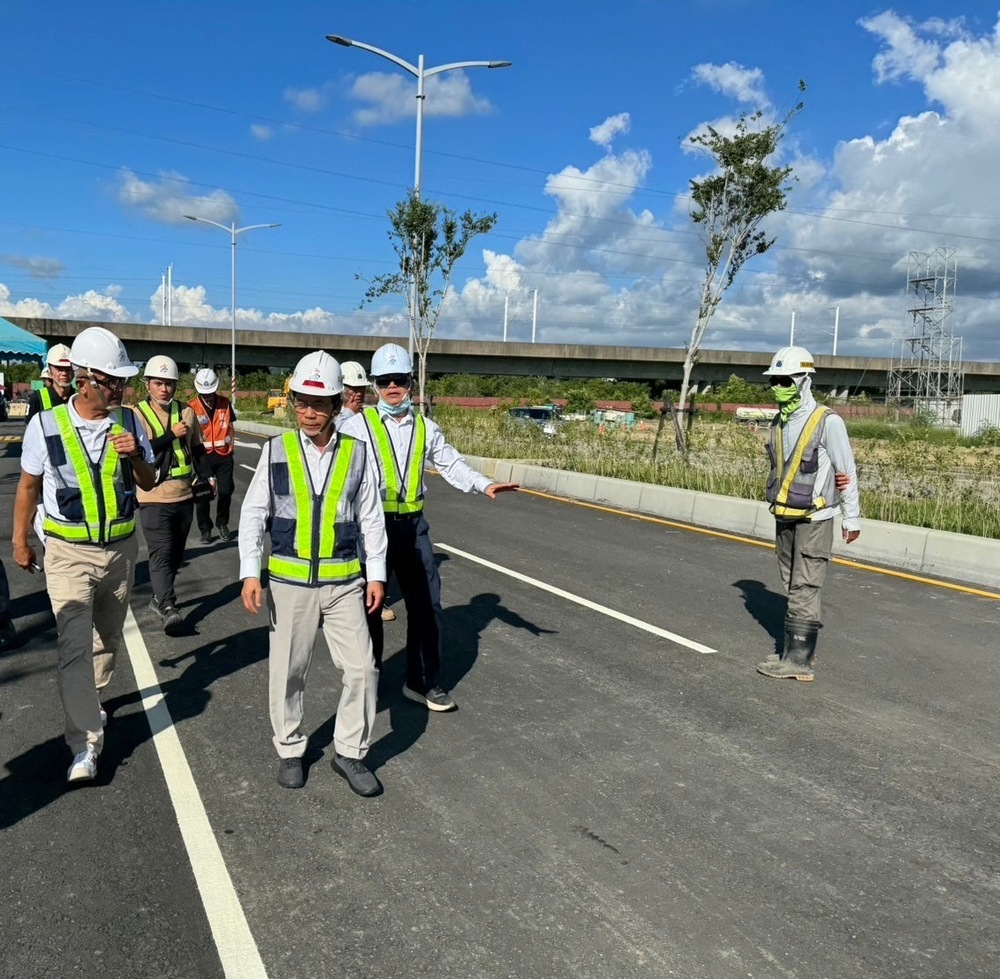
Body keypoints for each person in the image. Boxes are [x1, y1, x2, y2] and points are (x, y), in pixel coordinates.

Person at [341, 342, 519, 712]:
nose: (393, 387)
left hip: (413, 528)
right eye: (386, 380)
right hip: (371, 528)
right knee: (368, 609)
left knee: (427, 606)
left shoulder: (426, 428)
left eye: (400, 380)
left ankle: (421, 681)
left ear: (411, 383)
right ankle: (366, 681)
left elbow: (451, 463)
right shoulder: (356, 426)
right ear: (375, 385)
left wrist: (483, 484)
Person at [239, 351, 387, 795]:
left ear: (337, 405)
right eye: (301, 402)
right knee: (288, 670)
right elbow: (253, 514)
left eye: (318, 404)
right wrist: (250, 571)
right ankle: (289, 748)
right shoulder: (276, 451)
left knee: (362, 668)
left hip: (344, 582)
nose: (308, 412)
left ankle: (350, 752)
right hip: (289, 583)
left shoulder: (358, 454)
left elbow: (372, 517)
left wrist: (376, 574)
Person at [12, 326, 154, 783]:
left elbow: (149, 481)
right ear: (86, 379)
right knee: (74, 646)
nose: (122, 389)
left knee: (105, 643)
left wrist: (136, 458)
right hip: (67, 554)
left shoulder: (130, 422)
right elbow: (29, 486)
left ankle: (89, 702)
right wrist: (20, 539)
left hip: (119, 553)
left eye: (122, 381)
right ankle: (85, 745)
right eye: (114, 381)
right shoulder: (46, 425)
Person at [755, 346, 861, 682]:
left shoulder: (828, 422)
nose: (777, 387)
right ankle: (793, 651)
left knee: (806, 583)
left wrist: (852, 516)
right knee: (790, 580)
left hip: (816, 517)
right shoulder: (779, 421)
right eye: (774, 381)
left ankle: (799, 661)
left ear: (803, 380)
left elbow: (846, 470)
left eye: (784, 380)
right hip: (785, 513)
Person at [133, 355, 214, 635]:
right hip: (152, 494)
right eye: (159, 383)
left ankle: (159, 596)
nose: (164, 389)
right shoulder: (137, 414)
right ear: (148, 384)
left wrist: (208, 476)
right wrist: (171, 434)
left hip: (184, 494)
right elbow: (140, 452)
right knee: (161, 553)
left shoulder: (187, 412)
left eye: (169, 384)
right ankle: (167, 605)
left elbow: (197, 447)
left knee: (176, 552)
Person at [337, 361, 397, 623]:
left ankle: (372, 598)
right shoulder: (332, 417)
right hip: (342, 493)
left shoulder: (369, 417)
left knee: (369, 545)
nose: (358, 394)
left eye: (361, 388)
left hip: (367, 492)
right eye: (352, 388)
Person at [188, 367, 236, 544]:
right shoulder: (191, 407)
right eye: (204, 393)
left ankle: (222, 523)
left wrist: (230, 444)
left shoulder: (225, 402)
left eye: (210, 393)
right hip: (202, 457)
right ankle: (205, 529)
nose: (208, 397)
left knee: (225, 491)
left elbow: (230, 425)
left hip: (224, 455)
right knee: (203, 494)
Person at [26, 344, 75, 422]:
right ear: (49, 371)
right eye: (59, 368)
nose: (64, 373)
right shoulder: (37, 399)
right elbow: (30, 430)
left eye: (68, 368)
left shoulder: (79, 398)